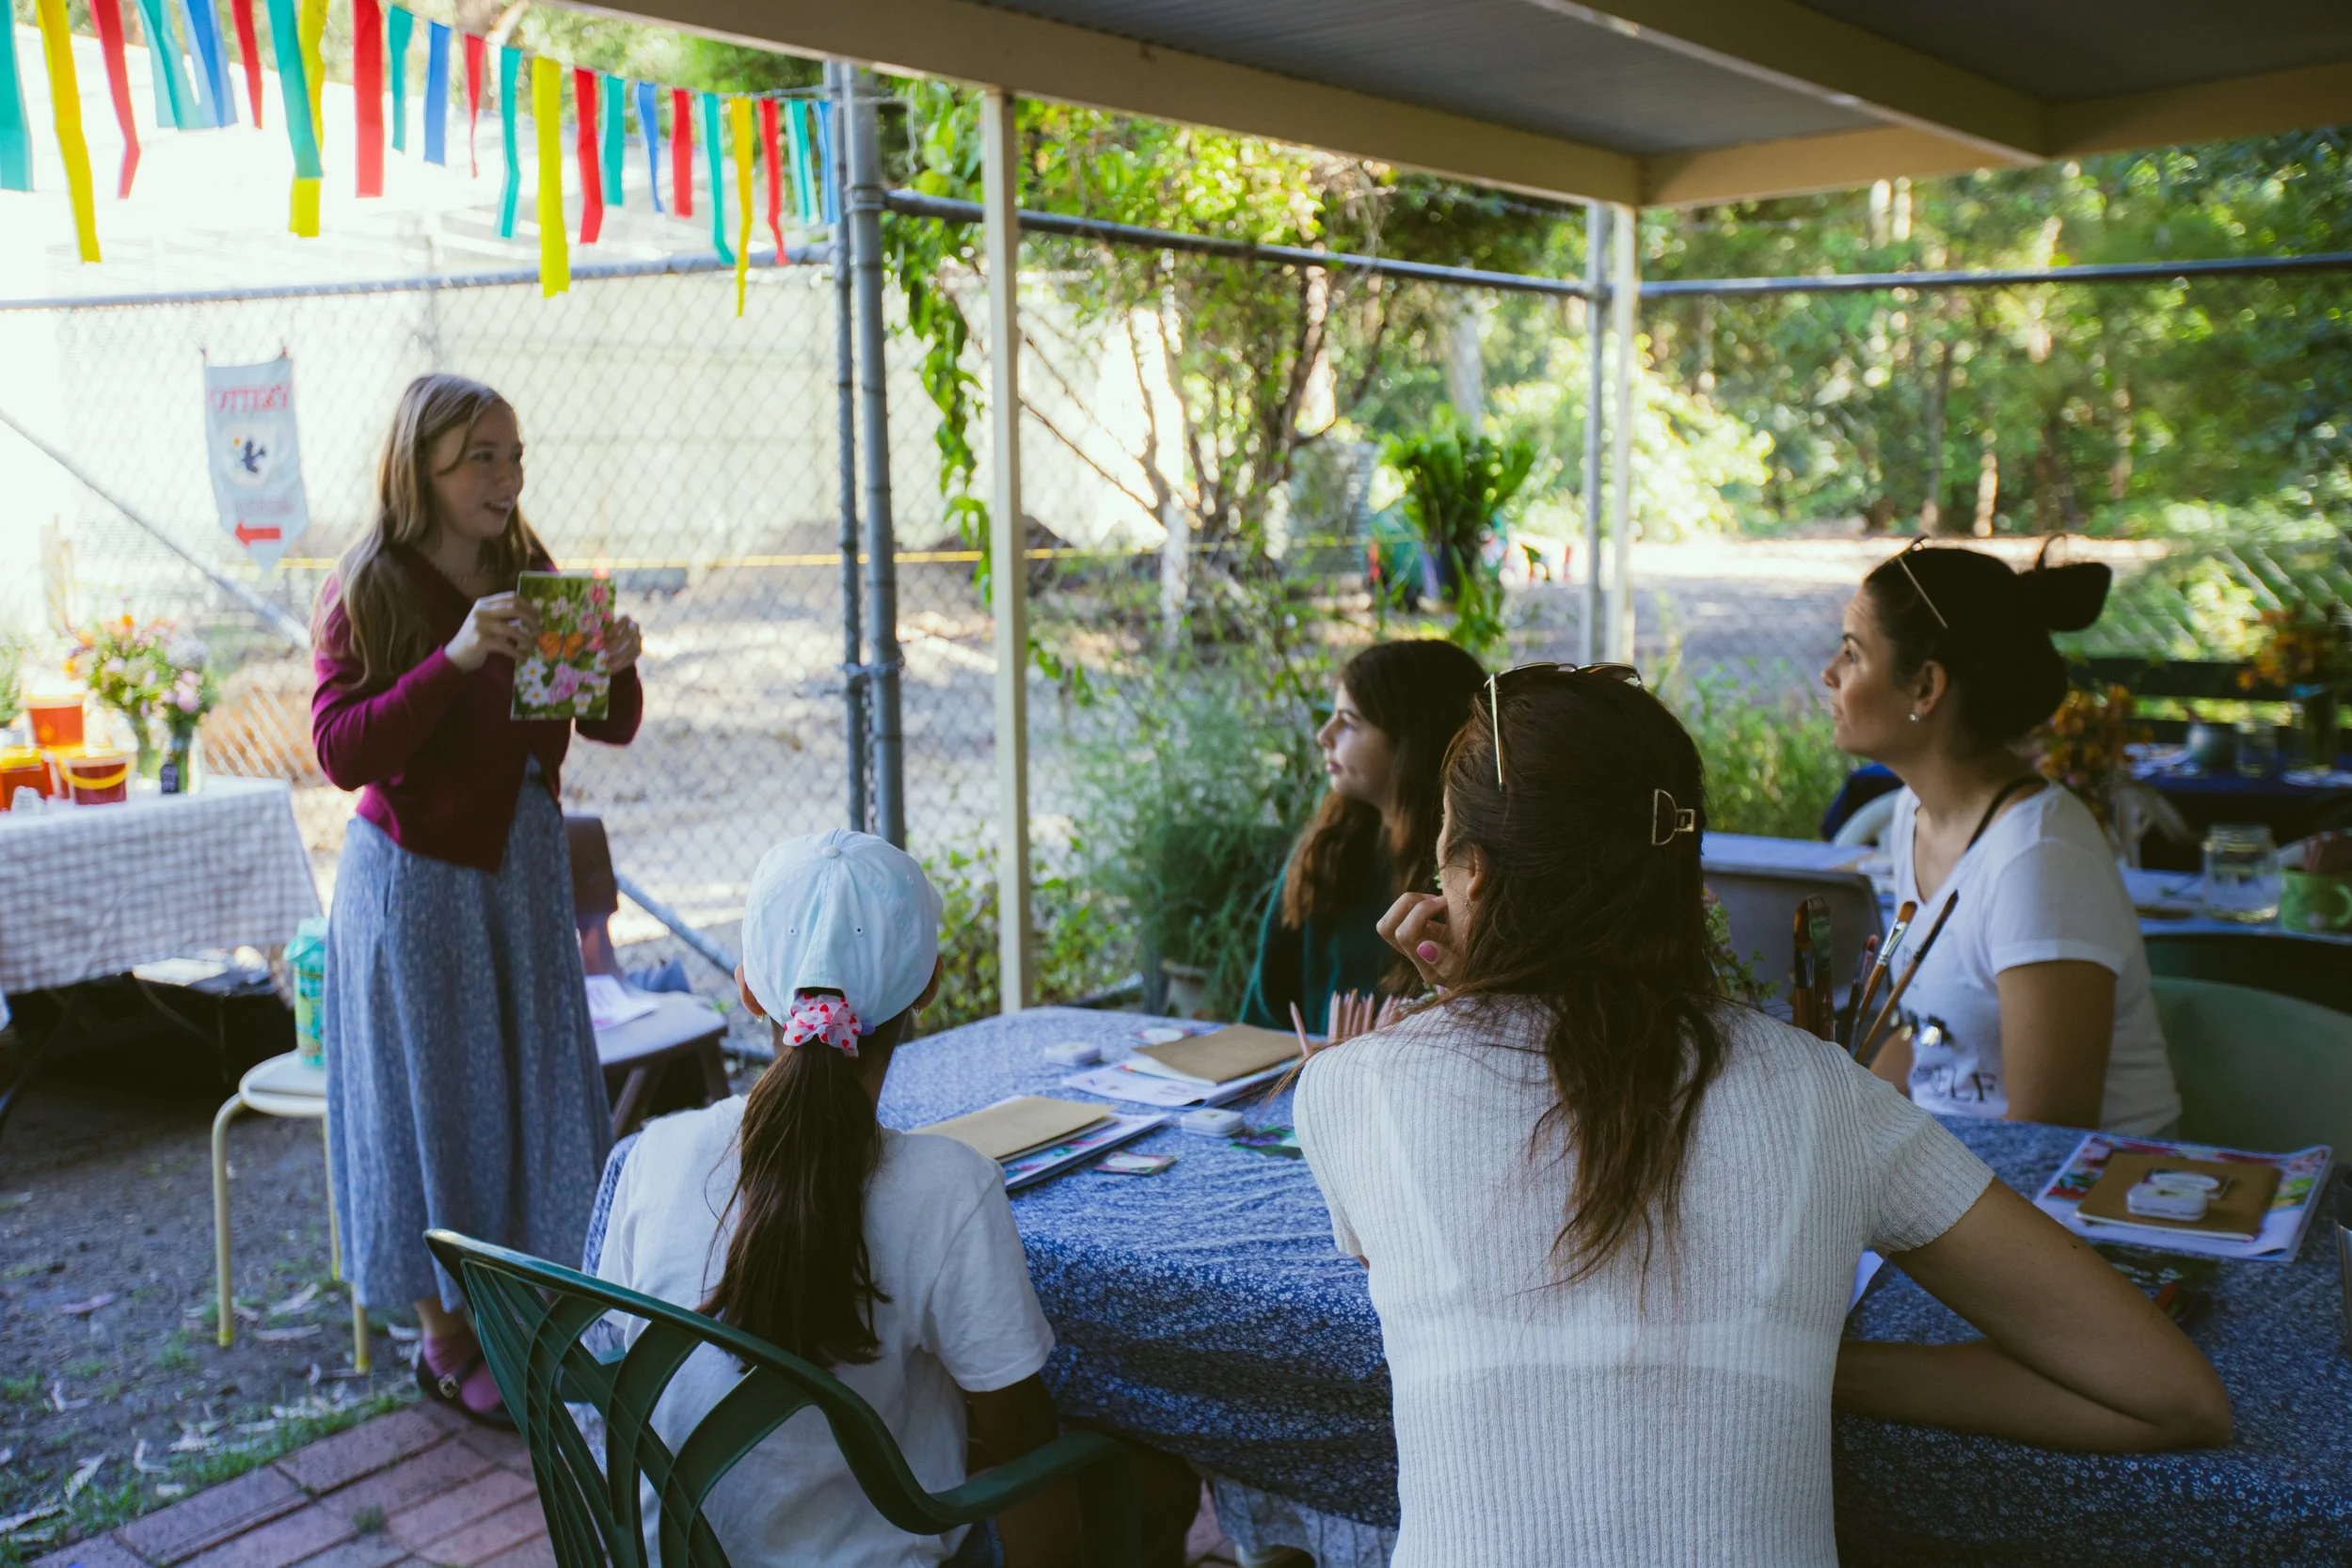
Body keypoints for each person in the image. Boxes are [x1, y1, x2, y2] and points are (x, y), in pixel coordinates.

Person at [1295, 666, 2230, 1568]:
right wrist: (1806, 1354)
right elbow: (2166, 1393)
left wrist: (1468, 1004)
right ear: (1678, 863)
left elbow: (1472, 1251)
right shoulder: (1825, 1091)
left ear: (1473, 875)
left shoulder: (1346, 1093)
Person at [594, 830, 1078, 1568]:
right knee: (1112, 1478)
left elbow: (611, 1362)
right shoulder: (951, 1187)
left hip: (674, 1557)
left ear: (750, 987)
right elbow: (1020, 1441)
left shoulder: (651, 1153)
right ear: (930, 983)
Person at [313, 372, 645, 1425]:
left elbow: (608, 724)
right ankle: (443, 1336)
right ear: (425, 468)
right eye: (483, 458)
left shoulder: (527, 567)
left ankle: (537, 1310)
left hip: (521, 875)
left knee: (535, 1095)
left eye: (514, 454)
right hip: (415, 886)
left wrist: (621, 668)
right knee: (432, 1107)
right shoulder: (372, 585)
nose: (507, 476)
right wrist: (454, 659)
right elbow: (338, 749)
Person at [1822, 541, 2181, 1132]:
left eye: (1853, 653)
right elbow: (1930, 1040)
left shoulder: (2039, 858)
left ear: (1925, 688)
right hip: (1965, 1173)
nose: (1829, 673)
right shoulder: (1915, 814)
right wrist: (1842, 1127)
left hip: (2079, 1196)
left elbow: (2047, 1132)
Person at [1240, 640, 1485, 1035]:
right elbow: (1263, 1016)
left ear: (1411, 741)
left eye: (1349, 722)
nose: (1324, 735)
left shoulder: (1468, 872)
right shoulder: (1327, 850)